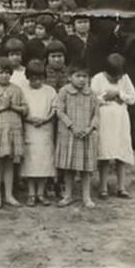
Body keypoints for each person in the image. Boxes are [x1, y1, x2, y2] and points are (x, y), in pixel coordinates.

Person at [0, 58, 27, 209]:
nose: (5, 76)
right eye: (1, 72)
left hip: (13, 128)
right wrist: (3, 106)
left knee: (10, 163)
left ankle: (9, 195)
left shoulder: (16, 89)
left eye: (8, 73)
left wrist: (13, 106)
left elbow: (25, 109)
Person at [92, 54, 135, 198]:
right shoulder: (98, 78)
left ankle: (121, 187)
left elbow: (133, 98)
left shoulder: (124, 78)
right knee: (105, 153)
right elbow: (92, 99)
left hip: (120, 120)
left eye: (118, 76)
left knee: (120, 152)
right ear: (106, 71)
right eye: (113, 76)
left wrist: (119, 93)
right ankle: (103, 187)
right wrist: (105, 97)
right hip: (105, 120)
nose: (116, 79)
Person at [55, 65, 99, 207]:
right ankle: (68, 195)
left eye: (84, 76)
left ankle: (86, 197)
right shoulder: (64, 92)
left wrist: (90, 128)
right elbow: (60, 111)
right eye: (78, 76)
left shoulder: (91, 94)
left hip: (86, 135)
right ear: (70, 77)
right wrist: (72, 126)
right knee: (69, 168)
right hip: (69, 135)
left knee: (86, 169)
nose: (81, 79)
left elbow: (96, 114)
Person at [20, 60, 57, 206]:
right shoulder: (22, 90)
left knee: (44, 161)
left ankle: (41, 193)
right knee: (30, 161)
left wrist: (45, 119)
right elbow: (20, 107)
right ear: (28, 77)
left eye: (40, 79)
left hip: (45, 129)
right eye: (33, 79)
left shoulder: (50, 91)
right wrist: (28, 118)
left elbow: (54, 108)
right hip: (29, 129)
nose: (36, 82)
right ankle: (31, 193)